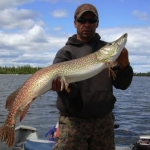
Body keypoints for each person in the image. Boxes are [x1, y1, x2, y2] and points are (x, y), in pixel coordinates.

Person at [51, 3, 133, 150]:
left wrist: (125, 66)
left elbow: (122, 84)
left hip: (104, 121)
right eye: (82, 21)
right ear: (75, 23)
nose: (87, 24)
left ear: (97, 24)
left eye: (91, 21)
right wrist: (62, 88)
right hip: (73, 123)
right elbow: (70, 92)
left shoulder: (107, 51)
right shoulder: (65, 53)